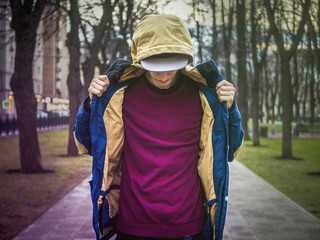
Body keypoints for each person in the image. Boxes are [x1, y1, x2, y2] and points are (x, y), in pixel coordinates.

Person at [74, 14, 244, 240]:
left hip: (189, 226)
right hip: (132, 225)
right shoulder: (118, 96)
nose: (164, 76)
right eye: (155, 66)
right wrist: (92, 103)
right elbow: (87, 143)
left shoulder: (205, 97)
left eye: (171, 66)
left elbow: (231, 150)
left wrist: (230, 109)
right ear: (140, 58)